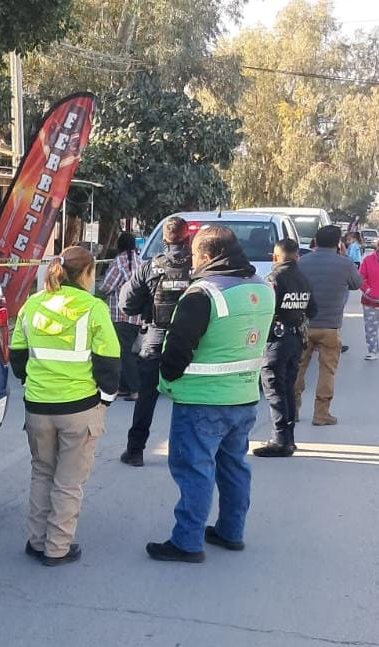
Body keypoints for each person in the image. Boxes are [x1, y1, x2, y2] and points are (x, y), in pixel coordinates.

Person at [146, 226, 274, 563]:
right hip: (245, 396)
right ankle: (231, 531)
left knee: (194, 469)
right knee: (233, 466)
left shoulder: (203, 293)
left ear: (205, 255)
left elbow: (176, 349)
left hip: (202, 401)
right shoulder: (263, 288)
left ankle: (187, 542)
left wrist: (167, 379)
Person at [9, 246, 121, 567]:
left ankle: (37, 541)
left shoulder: (32, 304)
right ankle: (57, 548)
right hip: (79, 410)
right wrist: (106, 399)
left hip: (37, 409)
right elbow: (109, 362)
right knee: (68, 481)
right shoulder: (93, 307)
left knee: (42, 473)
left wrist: (34, 382)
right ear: (86, 274)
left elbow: (17, 356)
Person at [118, 216, 192, 467]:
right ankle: (185, 454)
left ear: (164, 239)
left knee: (147, 397)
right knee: (189, 397)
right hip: (192, 341)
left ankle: (135, 450)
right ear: (188, 238)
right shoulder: (201, 267)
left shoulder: (151, 267)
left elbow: (127, 305)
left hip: (155, 338)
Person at [253, 239, 317, 457]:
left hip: (276, 341)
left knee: (274, 390)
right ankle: (289, 438)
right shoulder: (304, 279)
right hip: (296, 340)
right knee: (287, 388)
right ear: (297, 255)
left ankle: (280, 441)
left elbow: (263, 311)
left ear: (275, 256)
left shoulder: (273, 279)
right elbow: (313, 311)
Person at [294, 225, 362, 426]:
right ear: (339, 243)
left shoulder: (302, 262)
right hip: (331, 327)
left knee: (298, 368)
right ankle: (321, 414)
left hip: (304, 325)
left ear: (314, 240)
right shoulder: (345, 263)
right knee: (327, 370)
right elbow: (356, 284)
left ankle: (293, 409)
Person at [99, 232, 142, 400]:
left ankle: (134, 389)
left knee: (123, 353)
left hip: (120, 315)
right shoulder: (140, 261)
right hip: (136, 315)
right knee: (128, 352)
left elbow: (106, 286)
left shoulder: (119, 261)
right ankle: (124, 387)